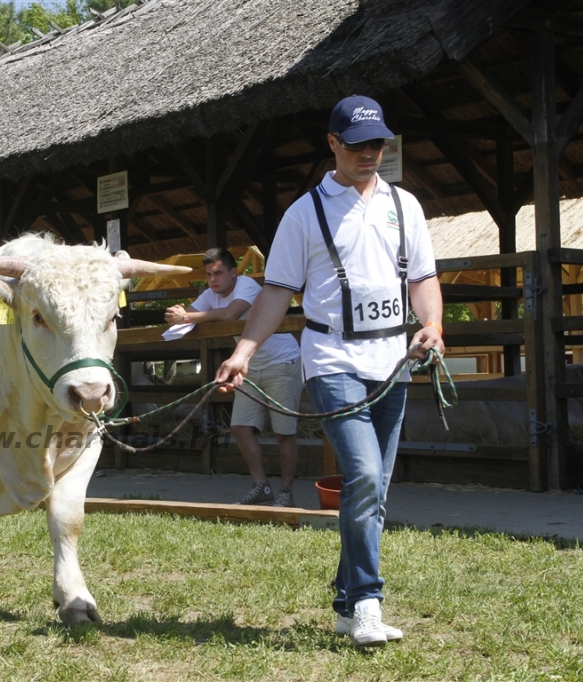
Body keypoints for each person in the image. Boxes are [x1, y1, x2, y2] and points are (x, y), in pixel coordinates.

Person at [215, 95, 444, 647]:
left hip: (393, 361)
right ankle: (368, 602)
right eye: (359, 144)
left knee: (375, 486)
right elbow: (275, 293)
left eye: (378, 144)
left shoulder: (404, 205)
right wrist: (242, 353)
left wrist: (433, 326)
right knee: (364, 476)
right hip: (331, 360)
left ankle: (345, 603)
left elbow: (423, 280)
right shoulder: (303, 214)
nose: (371, 153)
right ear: (333, 145)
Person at [165, 247, 303, 507]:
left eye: (218, 273)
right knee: (240, 428)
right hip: (247, 365)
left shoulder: (248, 286)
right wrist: (179, 314)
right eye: (208, 275)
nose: (212, 279)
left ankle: (286, 491)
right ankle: (261, 486)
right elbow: (185, 318)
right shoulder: (209, 294)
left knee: (285, 432)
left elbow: (230, 314)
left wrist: (184, 316)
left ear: (233, 272)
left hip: (281, 362)